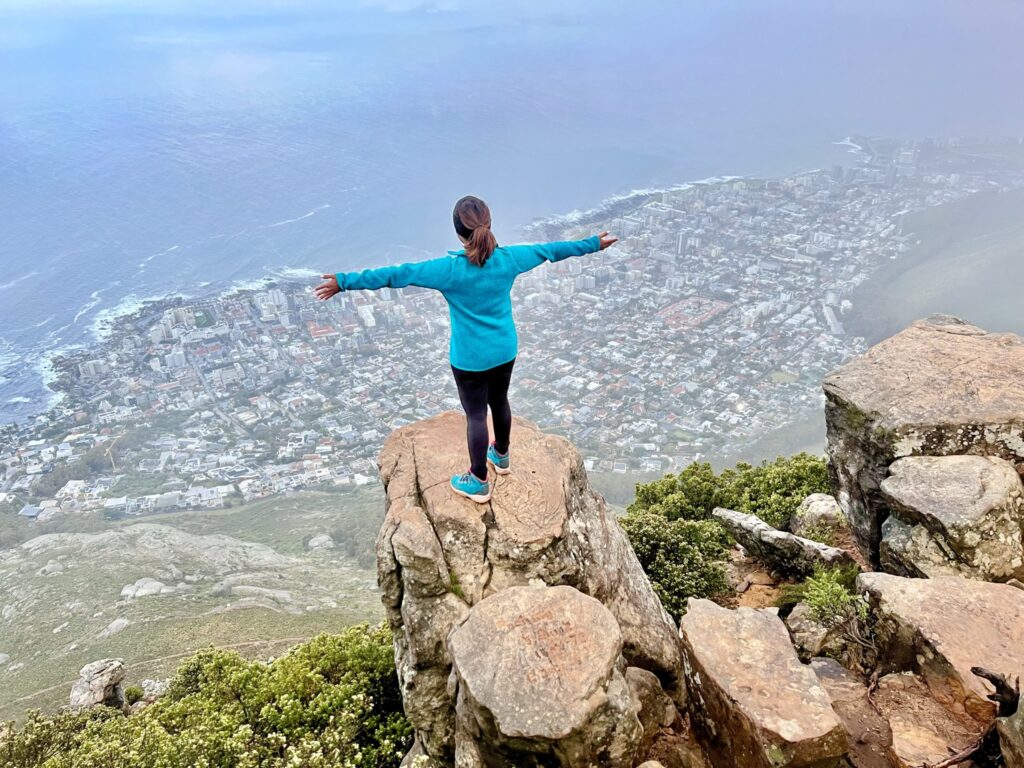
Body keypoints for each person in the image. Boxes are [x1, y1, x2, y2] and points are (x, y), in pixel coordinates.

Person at [315, 195, 617, 503]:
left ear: (459, 233)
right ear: (489, 224)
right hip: (504, 348)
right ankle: (501, 455)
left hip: (470, 358)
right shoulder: (510, 258)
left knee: (476, 415)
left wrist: (344, 281)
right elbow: (552, 250)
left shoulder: (449, 270)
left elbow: (398, 274)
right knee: (500, 401)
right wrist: (593, 243)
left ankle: (478, 479)